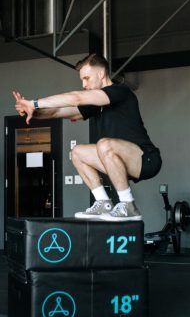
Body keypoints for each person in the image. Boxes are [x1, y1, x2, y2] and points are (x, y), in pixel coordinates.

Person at [13, 53, 161, 222]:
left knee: (104, 144)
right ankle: (103, 202)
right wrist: (33, 111)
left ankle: (128, 205)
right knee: (77, 152)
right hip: (117, 159)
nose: (84, 84)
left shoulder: (120, 91)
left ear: (101, 74)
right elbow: (57, 111)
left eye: (87, 78)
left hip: (146, 159)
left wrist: (35, 102)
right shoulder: (95, 106)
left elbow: (77, 98)